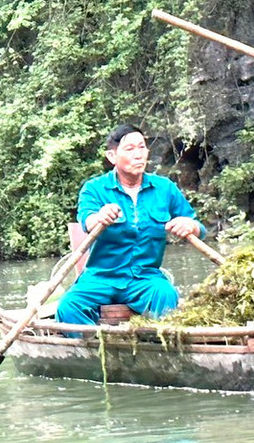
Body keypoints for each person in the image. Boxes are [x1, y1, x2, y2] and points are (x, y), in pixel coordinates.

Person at [55, 125, 207, 324]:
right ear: (112, 156)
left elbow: (198, 227)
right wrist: (100, 217)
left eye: (142, 147)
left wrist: (190, 225)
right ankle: (91, 349)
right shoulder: (94, 189)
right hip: (101, 277)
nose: (138, 155)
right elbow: (87, 220)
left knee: (166, 295)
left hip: (146, 278)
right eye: (129, 149)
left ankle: (156, 349)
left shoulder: (165, 188)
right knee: (68, 307)